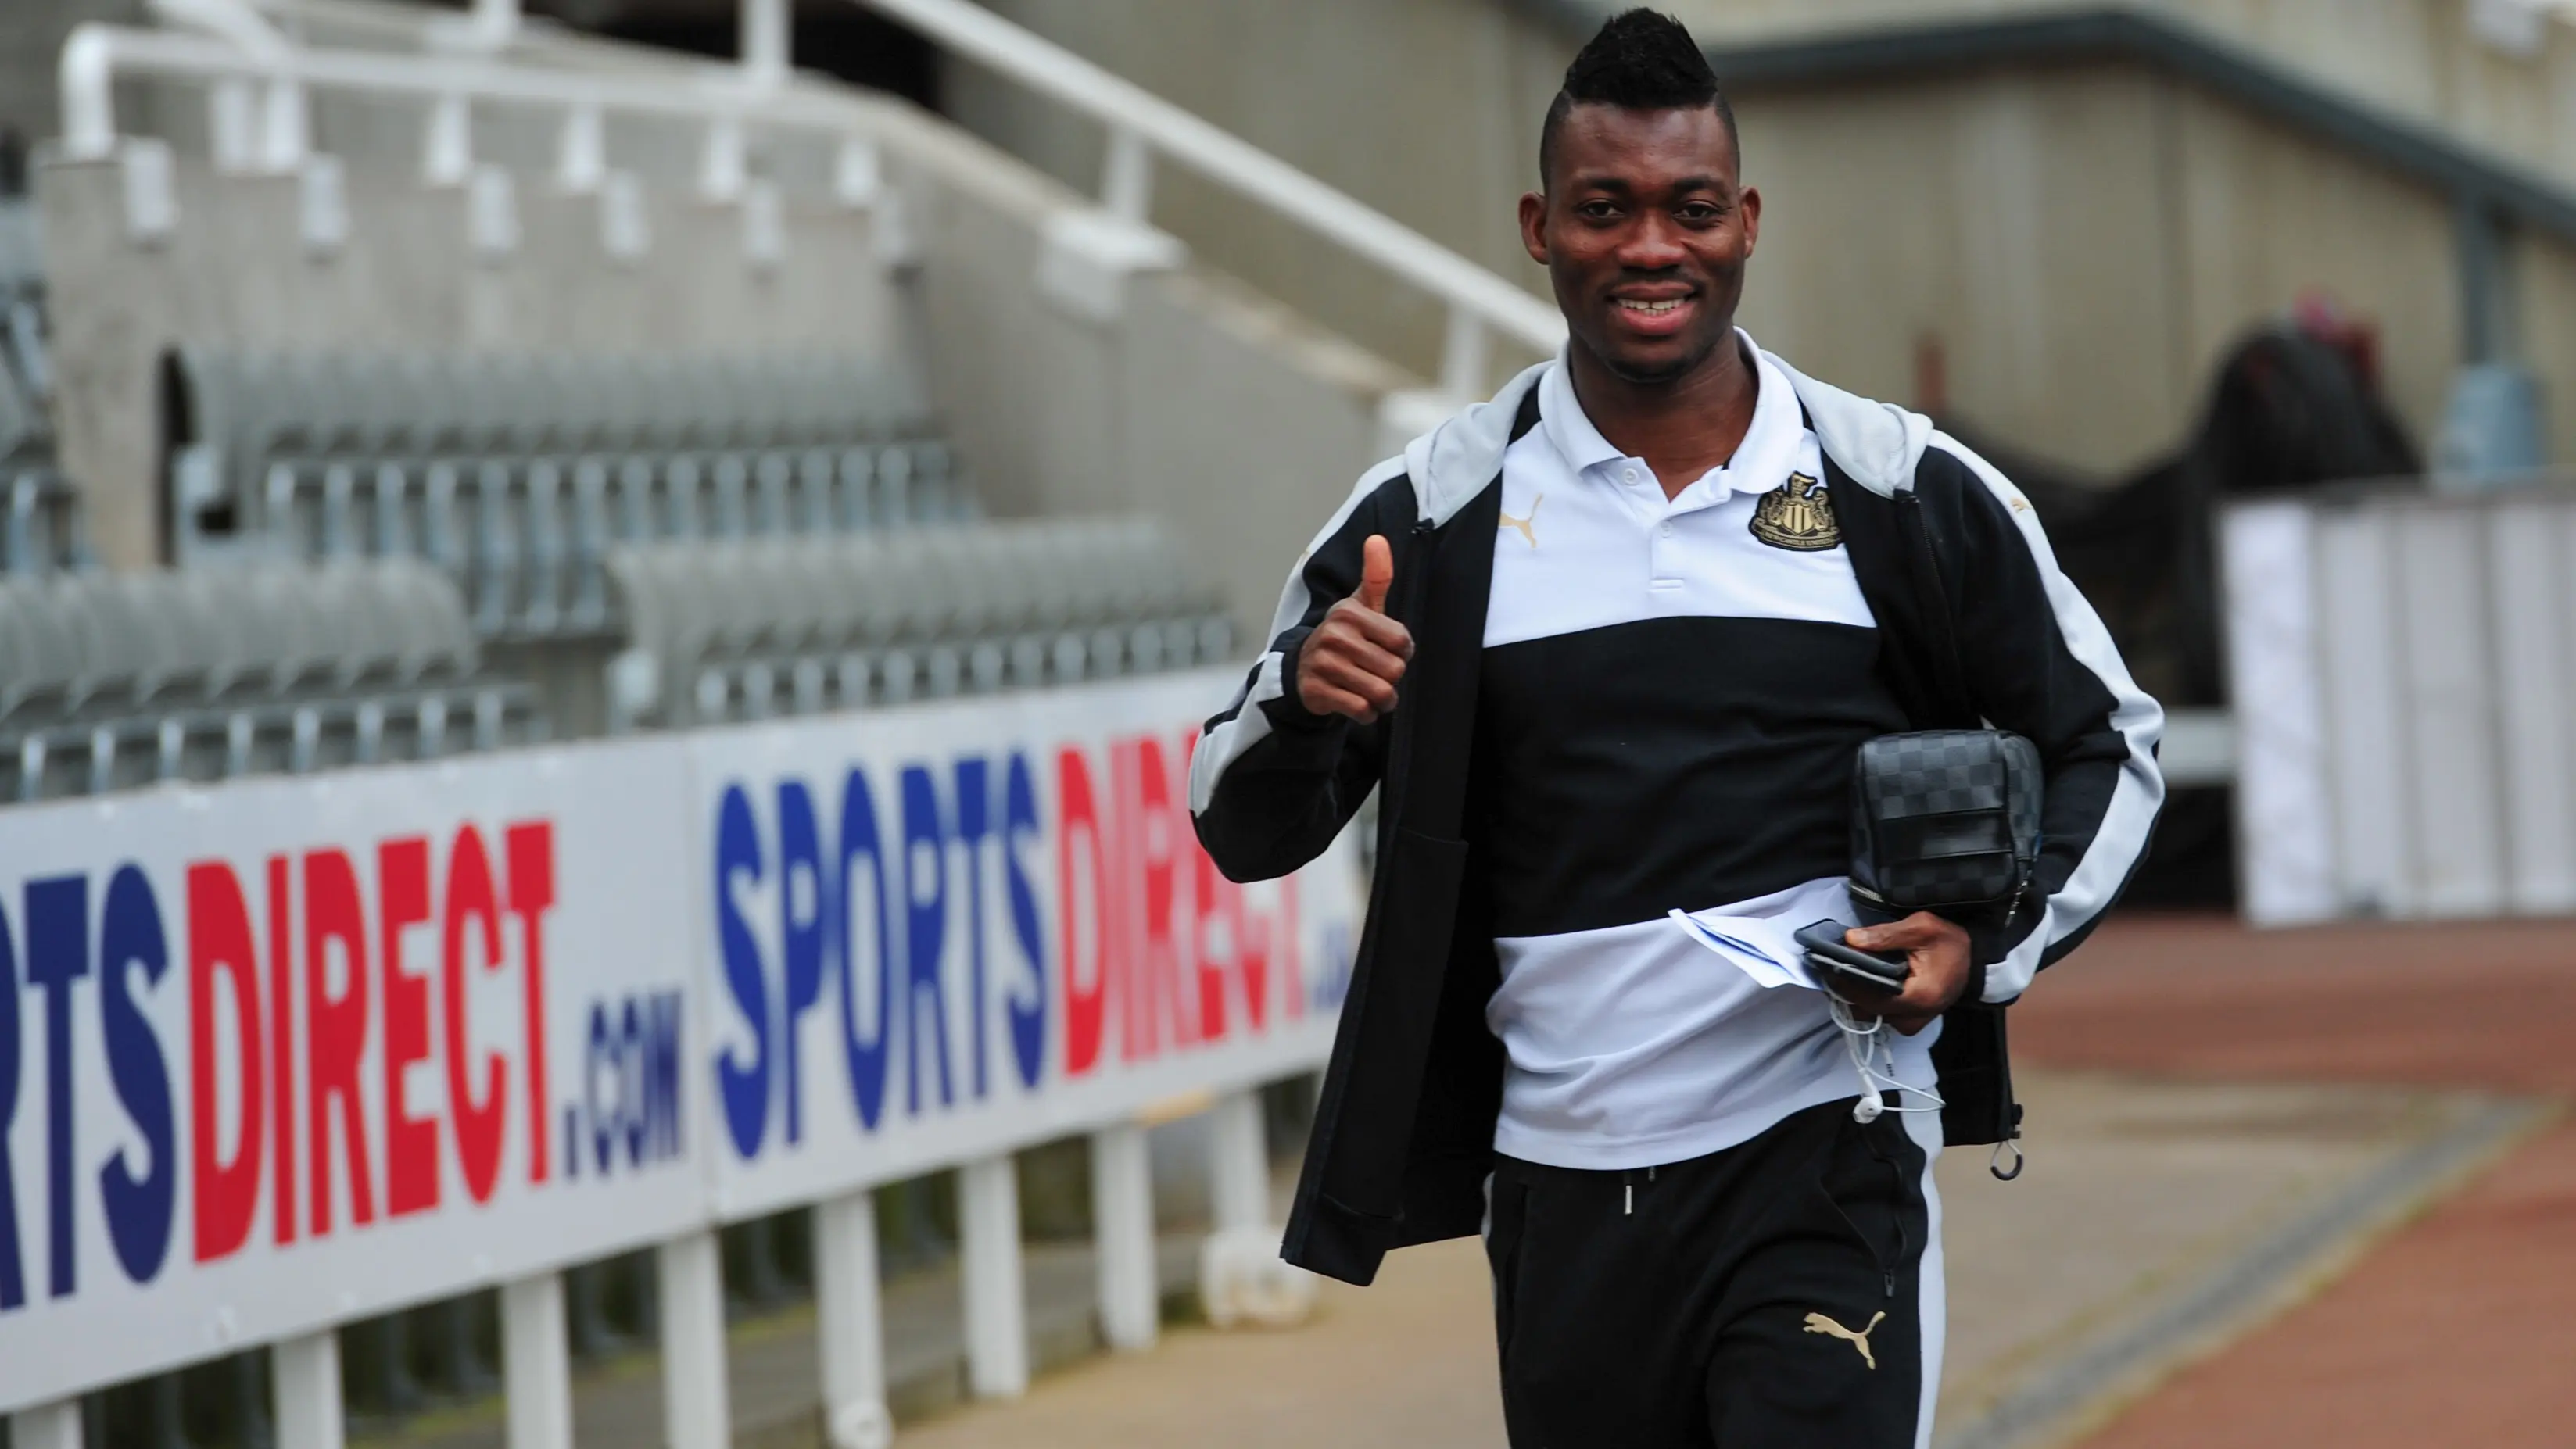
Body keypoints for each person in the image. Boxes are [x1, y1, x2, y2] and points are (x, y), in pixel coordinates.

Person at [1188, 9, 2163, 1447]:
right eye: (1606, 209)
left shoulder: (1898, 489)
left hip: (1825, 1152)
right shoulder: (1432, 515)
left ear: (1745, 222)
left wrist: (1982, 947)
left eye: (1689, 208)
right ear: (1539, 227)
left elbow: (2112, 744)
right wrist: (1304, 695)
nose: (1652, 245)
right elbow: (1234, 814)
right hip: (1562, 1191)